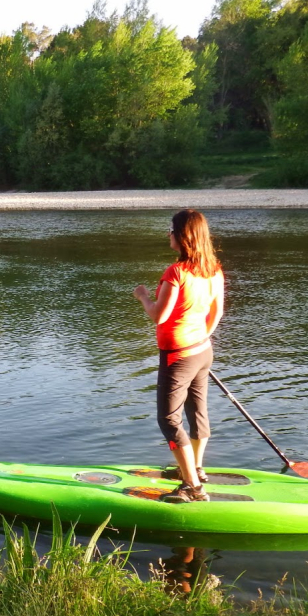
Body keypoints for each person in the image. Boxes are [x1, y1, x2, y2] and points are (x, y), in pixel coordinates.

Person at [133, 209, 225, 503]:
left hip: (178, 356)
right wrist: (201, 338)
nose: (168, 234)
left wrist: (143, 296)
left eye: (170, 229)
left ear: (183, 236)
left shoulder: (176, 273)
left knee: (169, 420)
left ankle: (193, 487)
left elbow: (159, 316)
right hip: (202, 351)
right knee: (197, 412)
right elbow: (217, 312)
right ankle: (196, 468)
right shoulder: (213, 269)